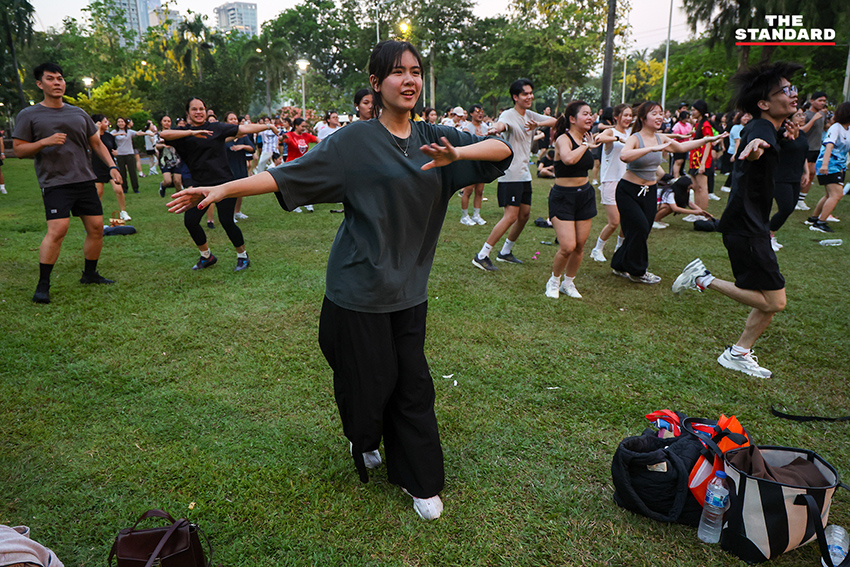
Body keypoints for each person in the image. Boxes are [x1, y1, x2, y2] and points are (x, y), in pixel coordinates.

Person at [167, 40, 511, 520]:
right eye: (397, 72)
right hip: (356, 291)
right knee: (368, 384)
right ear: (376, 83)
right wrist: (225, 186)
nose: (409, 80)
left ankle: (421, 480)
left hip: (409, 292)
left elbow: (502, 149)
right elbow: (286, 176)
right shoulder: (353, 143)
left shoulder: (436, 138)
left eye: (415, 71)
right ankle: (363, 436)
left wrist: (458, 155)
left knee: (412, 384)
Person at [672, 61, 801, 379]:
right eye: (785, 90)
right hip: (747, 225)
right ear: (763, 103)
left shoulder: (770, 128)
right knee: (775, 300)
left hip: (750, 222)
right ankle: (703, 279)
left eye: (792, 88)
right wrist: (756, 148)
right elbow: (755, 147)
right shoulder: (759, 129)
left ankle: (739, 352)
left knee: (769, 297)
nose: (793, 94)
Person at [12, 62, 122, 304]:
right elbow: (19, 150)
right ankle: (43, 284)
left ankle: (90, 274)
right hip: (55, 182)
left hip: (84, 179)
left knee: (96, 228)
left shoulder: (78, 113)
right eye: (50, 79)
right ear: (40, 84)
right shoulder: (29, 115)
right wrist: (44, 142)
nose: (57, 83)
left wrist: (112, 166)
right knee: (58, 230)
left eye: (60, 78)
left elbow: (97, 144)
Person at [613, 101, 726, 284]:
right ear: (643, 118)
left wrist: (707, 140)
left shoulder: (661, 138)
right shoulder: (635, 138)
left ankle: (619, 263)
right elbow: (624, 156)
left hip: (649, 190)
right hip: (629, 191)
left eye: (660, 114)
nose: (659, 117)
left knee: (642, 230)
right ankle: (638, 271)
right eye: (654, 114)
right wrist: (651, 149)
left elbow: (682, 147)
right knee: (639, 227)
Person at [160, 97, 276, 271]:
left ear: (206, 111)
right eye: (194, 109)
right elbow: (163, 135)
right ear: (188, 112)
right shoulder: (183, 133)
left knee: (227, 221)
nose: (199, 112)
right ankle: (207, 256)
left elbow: (243, 128)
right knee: (190, 221)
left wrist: (268, 126)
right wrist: (191, 133)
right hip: (199, 186)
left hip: (224, 184)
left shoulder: (216, 128)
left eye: (202, 108)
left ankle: (242, 256)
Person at [472, 78, 557, 271]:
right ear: (515, 97)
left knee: (524, 215)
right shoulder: (509, 116)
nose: (530, 96)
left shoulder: (529, 115)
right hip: (510, 174)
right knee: (511, 216)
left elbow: (555, 121)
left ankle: (505, 252)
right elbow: (502, 125)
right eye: (525, 94)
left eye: (531, 93)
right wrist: (495, 129)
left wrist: (537, 124)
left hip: (524, 174)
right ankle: (482, 255)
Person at [543, 101, 599, 299]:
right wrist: (586, 146)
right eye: (585, 113)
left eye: (591, 113)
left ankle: (569, 282)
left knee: (580, 245)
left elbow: (610, 135)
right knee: (567, 246)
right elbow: (568, 159)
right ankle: (554, 281)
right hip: (563, 197)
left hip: (584, 195)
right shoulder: (563, 139)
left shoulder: (588, 138)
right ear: (573, 119)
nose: (590, 117)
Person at [590, 103, 632, 262]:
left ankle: (619, 249)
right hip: (610, 181)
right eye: (625, 115)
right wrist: (617, 138)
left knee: (627, 220)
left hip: (627, 181)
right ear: (616, 116)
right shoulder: (611, 131)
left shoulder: (631, 133)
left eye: (630, 115)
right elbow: (598, 137)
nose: (628, 118)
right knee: (614, 221)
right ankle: (597, 249)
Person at [807, 102, 850, 233]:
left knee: (829, 194)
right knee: (837, 195)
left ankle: (814, 219)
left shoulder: (848, 129)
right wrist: (825, 165)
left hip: (839, 165)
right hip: (829, 164)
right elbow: (829, 146)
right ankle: (820, 223)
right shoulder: (835, 128)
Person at [768, 110, 808, 248]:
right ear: (789, 119)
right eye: (798, 115)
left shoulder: (802, 134)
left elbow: (803, 154)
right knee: (785, 208)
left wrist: (806, 172)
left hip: (795, 176)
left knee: (790, 208)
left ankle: (770, 234)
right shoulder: (780, 133)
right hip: (781, 176)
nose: (802, 117)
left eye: (803, 115)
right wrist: (786, 136)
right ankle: (767, 235)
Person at [90, 113, 130, 221]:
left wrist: (115, 152)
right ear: (98, 123)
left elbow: (113, 148)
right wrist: (96, 129)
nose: (107, 123)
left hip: (110, 167)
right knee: (99, 193)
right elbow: (96, 143)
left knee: (119, 189)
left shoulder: (109, 136)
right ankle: (97, 215)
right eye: (105, 121)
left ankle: (123, 211)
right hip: (97, 167)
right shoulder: (92, 135)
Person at [797, 91, 828, 210]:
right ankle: (796, 199)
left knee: (812, 174)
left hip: (817, 148)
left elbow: (824, 127)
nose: (823, 103)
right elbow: (801, 131)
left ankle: (801, 199)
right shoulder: (807, 115)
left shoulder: (822, 114)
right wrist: (814, 119)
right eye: (820, 100)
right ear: (812, 101)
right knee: (804, 174)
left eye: (824, 101)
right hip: (806, 148)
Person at [223, 111, 256, 221]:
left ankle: (237, 212)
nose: (234, 121)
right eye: (231, 119)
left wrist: (242, 146)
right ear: (226, 122)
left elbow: (252, 149)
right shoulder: (224, 136)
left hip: (240, 165)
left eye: (235, 119)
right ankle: (229, 214)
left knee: (240, 190)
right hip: (228, 166)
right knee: (230, 191)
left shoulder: (243, 135)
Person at [282, 118, 319, 212]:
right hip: (292, 164)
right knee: (294, 185)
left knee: (308, 183)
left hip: (304, 163)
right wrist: (282, 138)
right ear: (296, 126)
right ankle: (295, 204)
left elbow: (318, 140)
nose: (304, 128)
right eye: (302, 126)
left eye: (305, 126)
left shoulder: (306, 136)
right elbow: (283, 139)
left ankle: (308, 203)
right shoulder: (290, 135)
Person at [460, 103, 488, 225]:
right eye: (477, 111)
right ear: (471, 114)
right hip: (470, 162)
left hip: (482, 161)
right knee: (468, 190)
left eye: (481, 111)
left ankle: (476, 214)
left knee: (480, 191)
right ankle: (464, 216)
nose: (480, 113)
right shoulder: (467, 128)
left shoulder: (486, 128)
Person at [112, 117, 151, 194]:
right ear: (117, 123)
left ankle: (135, 188)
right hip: (120, 155)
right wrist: (119, 133)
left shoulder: (129, 131)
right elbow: (110, 135)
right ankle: (124, 188)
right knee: (122, 173)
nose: (121, 123)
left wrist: (147, 133)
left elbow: (138, 133)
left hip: (129, 154)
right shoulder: (114, 132)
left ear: (125, 123)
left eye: (122, 122)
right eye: (119, 122)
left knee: (132, 172)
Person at [157, 115, 183, 198]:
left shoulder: (174, 133)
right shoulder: (158, 134)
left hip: (176, 159)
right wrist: (164, 145)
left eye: (168, 121)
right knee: (168, 181)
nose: (167, 123)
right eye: (165, 121)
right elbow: (156, 146)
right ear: (161, 122)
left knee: (177, 181)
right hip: (164, 161)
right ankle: (163, 185)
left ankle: (179, 199)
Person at [670, 110, 692, 177]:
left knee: (683, 161)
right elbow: (675, 137)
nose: (686, 120)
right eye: (685, 118)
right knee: (678, 161)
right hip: (678, 145)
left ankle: (681, 173)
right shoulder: (677, 126)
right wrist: (687, 134)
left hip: (686, 145)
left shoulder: (688, 125)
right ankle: (675, 176)